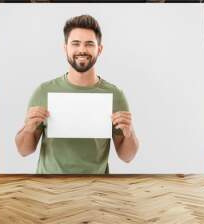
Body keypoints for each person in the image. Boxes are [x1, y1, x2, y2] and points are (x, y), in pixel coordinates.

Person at [15, 14, 139, 174]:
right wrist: (28, 129)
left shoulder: (115, 94)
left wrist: (130, 133)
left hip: (96, 188)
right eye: (75, 43)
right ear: (65, 48)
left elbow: (126, 157)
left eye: (89, 44)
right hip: (50, 189)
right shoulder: (44, 91)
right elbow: (24, 151)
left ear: (99, 49)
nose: (82, 50)